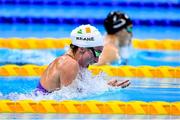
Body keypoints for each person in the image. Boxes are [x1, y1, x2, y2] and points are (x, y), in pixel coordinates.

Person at [35, 24, 129, 94]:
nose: (96, 60)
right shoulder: (70, 64)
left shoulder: (70, 61)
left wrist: (106, 87)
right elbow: (71, 99)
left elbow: (79, 91)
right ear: (82, 49)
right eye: (96, 53)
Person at [94, 11, 132, 87]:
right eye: (130, 29)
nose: (131, 34)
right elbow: (88, 70)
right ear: (121, 30)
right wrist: (105, 85)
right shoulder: (110, 50)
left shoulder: (105, 42)